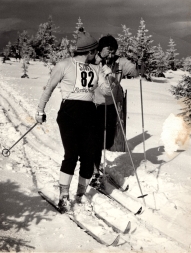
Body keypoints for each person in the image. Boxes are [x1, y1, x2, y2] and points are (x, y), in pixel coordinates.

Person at [35, 28, 112, 212]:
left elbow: (106, 91)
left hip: (89, 113)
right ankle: (63, 196)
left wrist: (107, 76)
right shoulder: (65, 65)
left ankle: (80, 195)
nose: (96, 55)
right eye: (94, 52)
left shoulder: (96, 68)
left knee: (87, 156)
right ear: (90, 51)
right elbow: (49, 88)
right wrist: (40, 110)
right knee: (71, 154)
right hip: (69, 113)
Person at [93, 35, 138, 175]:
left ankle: (94, 157)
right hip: (95, 104)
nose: (111, 53)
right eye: (108, 50)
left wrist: (138, 65)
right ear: (100, 49)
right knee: (97, 137)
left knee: (109, 137)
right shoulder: (94, 61)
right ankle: (94, 167)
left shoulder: (120, 62)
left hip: (112, 103)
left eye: (114, 50)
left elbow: (134, 71)